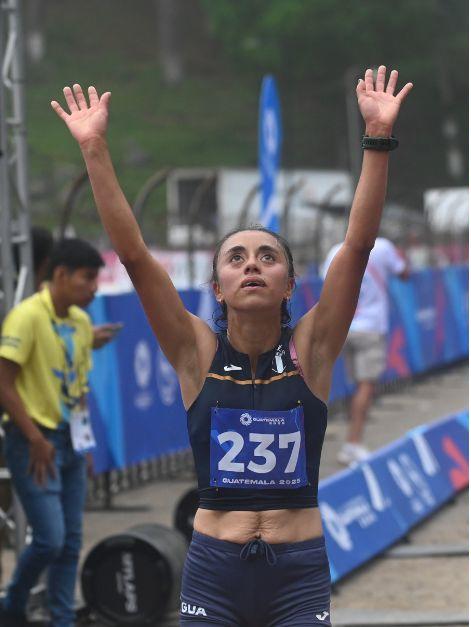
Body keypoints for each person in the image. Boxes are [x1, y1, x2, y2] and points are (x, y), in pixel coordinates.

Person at [50, 66, 411, 626]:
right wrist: (94, 147)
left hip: (298, 572)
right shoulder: (194, 351)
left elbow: (357, 247)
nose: (252, 266)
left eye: (268, 257)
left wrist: (378, 140)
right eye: (236, 258)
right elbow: (137, 258)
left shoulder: (311, 349)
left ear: (290, 284)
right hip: (213, 572)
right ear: (216, 286)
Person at [0, 238, 103, 626]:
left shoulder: (80, 322)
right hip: (33, 441)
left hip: (70, 443)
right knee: (50, 539)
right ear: (60, 275)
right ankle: (12, 604)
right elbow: (4, 382)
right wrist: (34, 438)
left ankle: (62, 619)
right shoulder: (25, 317)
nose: (94, 287)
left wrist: (85, 442)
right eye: (87, 278)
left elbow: (77, 388)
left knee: (71, 541)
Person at [321, 236, 408, 465]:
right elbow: (404, 273)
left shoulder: (334, 250)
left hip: (342, 326)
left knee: (346, 386)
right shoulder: (384, 246)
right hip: (371, 327)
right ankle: (353, 443)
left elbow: (326, 285)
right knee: (365, 386)